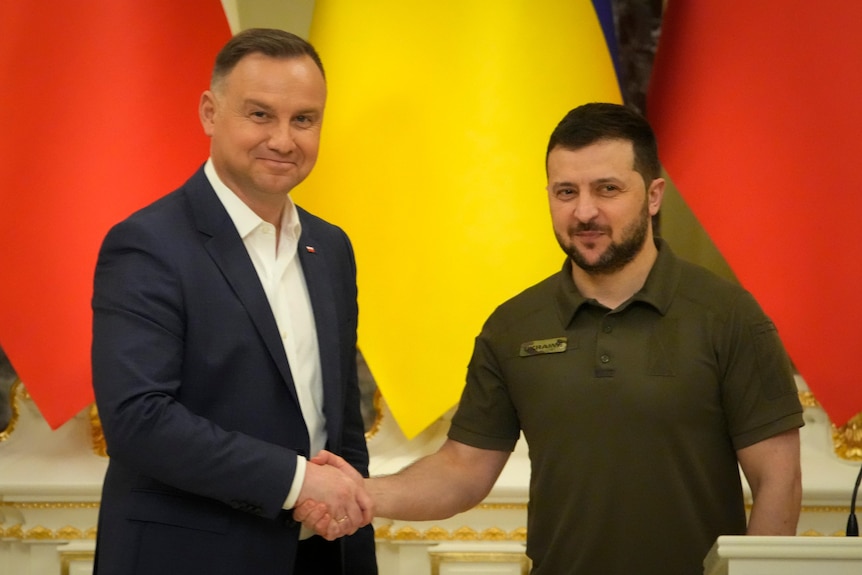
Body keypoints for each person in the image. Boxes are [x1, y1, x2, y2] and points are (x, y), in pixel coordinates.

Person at [297, 103, 804, 574]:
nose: (584, 212)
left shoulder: (729, 315)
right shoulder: (514, 327)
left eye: (607, 189)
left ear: (652, 196)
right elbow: (462, 470)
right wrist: (363, 493)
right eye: (566, 192)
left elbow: (778, 481)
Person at [91, 28, 376, 575]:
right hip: (189, 557)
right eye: (260, 115)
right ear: (209, 113)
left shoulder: (331, 247)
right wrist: (298, 482)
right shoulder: (148, 244)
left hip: (325, 551)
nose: (284, 140)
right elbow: (138, 421)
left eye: (304, 120)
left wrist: (343, 503)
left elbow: (338, 416)